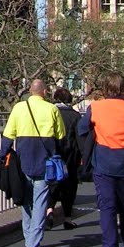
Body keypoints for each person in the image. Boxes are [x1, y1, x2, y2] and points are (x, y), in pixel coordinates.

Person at [78, 72, 124, 247]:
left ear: (105, 88)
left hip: (103, 164)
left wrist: (93, 141)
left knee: (107, 209)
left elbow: (81, 129)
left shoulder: (96, 107)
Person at [0, 79, 66, 247]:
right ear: (44, 92)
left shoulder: (19, 108)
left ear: (29, 91)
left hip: (23, 160)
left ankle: (29, 237)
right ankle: (34, 242)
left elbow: (8, 135)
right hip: (45, 162)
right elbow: (61, 138)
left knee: (26, 201)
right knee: (40, 202)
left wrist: (2, 155)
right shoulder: (52, 109)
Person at [45, 87, 81, 230]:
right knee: (70, 186)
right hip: (71, 155)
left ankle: (49, 211)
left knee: (53, 182)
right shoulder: (75, 116)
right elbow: (79, 138)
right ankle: (68, 218)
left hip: (53, 154)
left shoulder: (50, 112)